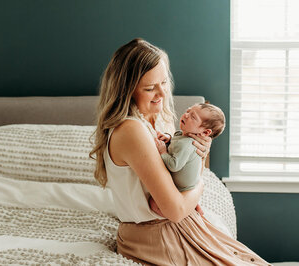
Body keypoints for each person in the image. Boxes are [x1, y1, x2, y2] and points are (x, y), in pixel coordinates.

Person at [90, 38, 270, 265]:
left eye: (164, 82)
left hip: (177, 226)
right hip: (155, 236)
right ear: (126, 91)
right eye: (150, 88)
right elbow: (174, 210)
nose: (162, 94)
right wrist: (200, 187)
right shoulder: (131, 130)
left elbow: (179, 179)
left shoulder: (157, 119)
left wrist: (199, 155)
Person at [149, 103, 225, 217]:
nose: (186, 115)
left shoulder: (188, 144)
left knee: (153, 203)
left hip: (184, 188)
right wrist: (169, 139)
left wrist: (163, 151)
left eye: (193, 117)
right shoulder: (182, 135)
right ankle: (193, 206)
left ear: (205, 132)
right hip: (189, 185)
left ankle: (175, 217)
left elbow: (174, 165)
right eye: (188, 111)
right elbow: (177, 143)